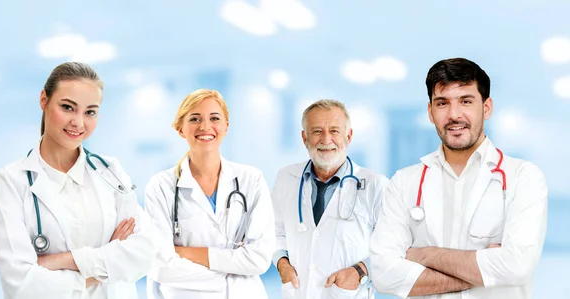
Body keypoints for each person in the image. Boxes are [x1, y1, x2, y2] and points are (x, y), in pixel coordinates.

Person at [369, 58, 548, 298]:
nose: (454, 115)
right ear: (431, 112)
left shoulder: (524, 177)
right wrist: (484, 272)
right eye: (442, 103)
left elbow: (517, 266)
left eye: (466, 101)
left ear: (486, 108)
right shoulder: (404, 182)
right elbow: (383, 275)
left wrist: (425, 255)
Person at [0, 62, 156, 299]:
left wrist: (61, 261)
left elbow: (145, 253)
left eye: (90, 112)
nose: (79, 123)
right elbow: (20, 285)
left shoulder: (110, 171)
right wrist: (107, 261)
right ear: (43, 100)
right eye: (68, 107)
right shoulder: (11, 181)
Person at [144, 88, 275, 299]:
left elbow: (259, 259)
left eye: (214, 118)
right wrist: (231, 272)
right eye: (195, 119)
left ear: (226, 127)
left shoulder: (251, 180)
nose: (205, 126)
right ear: (181, 129)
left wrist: (184, 253)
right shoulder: (161, 186)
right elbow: (161, 266)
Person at [272, 99, 388, 299]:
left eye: (334, 131)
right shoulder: (286, 178)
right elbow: (273, 231)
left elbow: (395, 246)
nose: (326, 140)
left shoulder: (375, 185)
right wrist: (281, 263)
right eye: (317, 131)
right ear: (304, 138)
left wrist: (360, 272)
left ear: (349, 136)